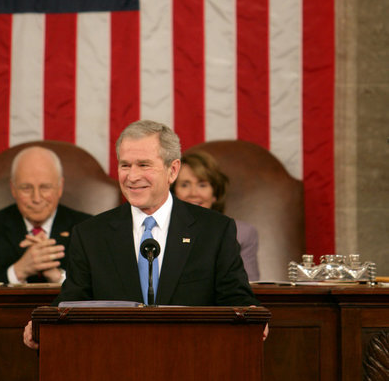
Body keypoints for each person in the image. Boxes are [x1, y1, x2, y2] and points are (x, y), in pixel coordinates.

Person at [24, 120, 261, 349]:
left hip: (194, 359)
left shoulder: (214, 231)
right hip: (113, 364)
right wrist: (44, 324)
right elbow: (71, 303)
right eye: (125, 165)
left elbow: (237, 299)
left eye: (144, 165)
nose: (132, 176)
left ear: (173, 170)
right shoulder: (90, 235)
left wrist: (253, 318)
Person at [0, 146, 89, 284]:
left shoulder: (87, 228)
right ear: (13, 189)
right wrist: (17, 272)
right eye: (26, 188)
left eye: (45, 187)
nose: (36, 198)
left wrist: (58, 277)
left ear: (60, 187)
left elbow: (99, 288)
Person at [173, 150, 260, 281]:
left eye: (202, 185)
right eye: (185, 185)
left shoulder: (242, 233)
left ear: (215, 194)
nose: (194, 193)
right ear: (174, 193)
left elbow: (249, 287)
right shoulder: (160, 229)